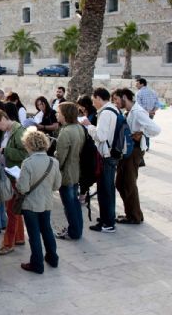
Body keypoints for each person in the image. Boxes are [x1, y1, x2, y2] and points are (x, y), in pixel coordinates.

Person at [16, 130, 62, 274]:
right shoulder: (53, 162)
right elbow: (57, 185)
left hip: (31, 204)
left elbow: (23, 188)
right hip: (46, 202)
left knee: (34, 234)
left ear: (28, 145)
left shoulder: (27, 163)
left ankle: (37, 264)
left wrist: (17, 181)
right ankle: (52, 257)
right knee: (47, 230)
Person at [116, 88, 160, 224]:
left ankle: (134, 216)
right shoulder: (131, 111)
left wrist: (141, 133)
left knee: (129, 184)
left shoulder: (138, 111)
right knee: (120, 183)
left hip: (134, 151)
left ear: (124, 97)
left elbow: (156, 129)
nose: (116, 103)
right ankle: (131, 213)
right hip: (128, 151)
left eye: (117, 99)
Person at [0, 109, 28, 255]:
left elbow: (25, 154)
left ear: (4, 118)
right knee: (15, 209)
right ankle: (19, 238)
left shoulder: (18, 132)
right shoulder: (11, 131)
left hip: (15, 175)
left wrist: (2, 151)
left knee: (11, 211)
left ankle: (8, 243)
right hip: (12, 173)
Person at [81, 87, 119, 233]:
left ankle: (108, 223)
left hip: (107, 156)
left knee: (105, 190)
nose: (93, 103)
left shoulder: (105, 113)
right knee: (108, 189)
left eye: (93, 100)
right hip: (112, 155)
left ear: (98, 97)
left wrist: (88, 126)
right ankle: (107, 218)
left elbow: (101, 136)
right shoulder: (114, 110)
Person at [54, 102, 85, 240]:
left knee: (69, 204)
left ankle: (73, 231)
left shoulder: (65, 132)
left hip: (66, 173)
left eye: (58, 112)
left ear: (65, 114)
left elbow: (60, 158)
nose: (57, 114)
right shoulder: (79, 128)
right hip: (76, 170)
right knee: (75, 202)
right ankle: (78, 229)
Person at [135, 78, 158, 150]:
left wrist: (147, 111)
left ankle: (144, 146)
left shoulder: (139, 93)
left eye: (137, 84)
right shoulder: (153, 92)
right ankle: (147, 146)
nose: (136, 85)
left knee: (141, 130)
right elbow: (157, 103)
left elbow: (139, 105)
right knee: (147, 129)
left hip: (143, 114)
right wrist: (153, 111)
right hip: (151, 114)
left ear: (142, 84)